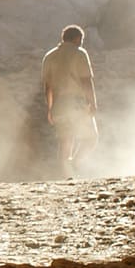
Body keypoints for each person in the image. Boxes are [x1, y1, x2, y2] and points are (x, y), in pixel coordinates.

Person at [40, 25, 99, 177]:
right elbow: (86, 81)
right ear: (77, 38)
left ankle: (65, 175)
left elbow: (48, 87)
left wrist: (50, 109)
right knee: (91, 138)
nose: (81, 43)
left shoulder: (49, 56)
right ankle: (75, 164)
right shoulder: (79, 53)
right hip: (77, 104)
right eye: (81, 40)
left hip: (59, 105)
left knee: (65, 141)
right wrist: (92, 103)